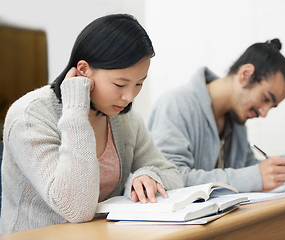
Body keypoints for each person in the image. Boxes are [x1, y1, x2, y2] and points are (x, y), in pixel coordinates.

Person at [0, 14, 183, 234]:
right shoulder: (29, 117)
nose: (129, 97)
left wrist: (148, 175)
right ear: (84, 70)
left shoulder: (123, 117)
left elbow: (173, 176)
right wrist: (76, 109)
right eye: (120, 84)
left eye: (139, 84)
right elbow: (77, 209)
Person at [147, 38, 285, 193]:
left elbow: (247, 168)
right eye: (265, 99)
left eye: (272, 107)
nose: (264, 113)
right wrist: (253, 178)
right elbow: (170, 178)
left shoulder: (236, 120)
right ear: (245, 74)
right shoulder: (176, 104)